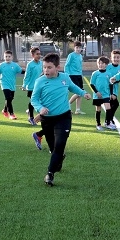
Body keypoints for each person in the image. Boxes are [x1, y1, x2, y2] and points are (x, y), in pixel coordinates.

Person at [29, 53, 90, 185]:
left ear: (58, 67)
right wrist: (40, 108)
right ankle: (59, 158)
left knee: (60, 144)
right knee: (53, 148)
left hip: (64, 117)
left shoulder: (65, 78)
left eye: (49, 67)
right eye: (44, 67)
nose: (46, 70)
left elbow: (73, 87)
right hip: (47, 120)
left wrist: (83, 93)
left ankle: (50, 174)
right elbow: (34, 99)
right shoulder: (40, 81)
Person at [0, 49, 23, 119]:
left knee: (10, 99)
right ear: (4, 57)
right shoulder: (2, 65)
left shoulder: (15, 65)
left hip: (12, 85)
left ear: (12, 57)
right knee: (8, 98)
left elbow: (21, 71)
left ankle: (5, 110)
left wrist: (28, 72)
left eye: (9, 56)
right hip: (4, 84)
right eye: (6, 56)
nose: (7, 58)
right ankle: (11, 114)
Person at [89, 56, 114, 131]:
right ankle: (98, 124)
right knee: (98, 109)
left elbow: (111, 84)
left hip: (106, 94)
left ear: (106, 64)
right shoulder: (95, 73)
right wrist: (96, 92)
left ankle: (108, 123)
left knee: (108, 108)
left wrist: (111, 94)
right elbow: (92, 84)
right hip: (97, 95)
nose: (100, 65)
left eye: (102, 63)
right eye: (99, 63)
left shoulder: (109, 74)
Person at [23, 46, 43, 127]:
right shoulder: (30, 65)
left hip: (40, 86)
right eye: (37, 54)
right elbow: (27, 76)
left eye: (39, 54)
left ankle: (33, 113)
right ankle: (31, 117)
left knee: (40, 101)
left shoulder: (41, 63)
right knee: (33, 102)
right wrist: (24, 85)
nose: (39, 55)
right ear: (33, 55)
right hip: (32, 87)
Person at [104, 49, 120, 129]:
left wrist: (115, 81)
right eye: (114, 57)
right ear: (111, 58)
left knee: (113, 105)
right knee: (114, 104)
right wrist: (111, 93)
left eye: (117, 57)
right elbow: (106, 78)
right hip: (107, 89)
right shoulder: (108, 67)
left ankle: (109, 120)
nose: (116, 59)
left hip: (115, 89)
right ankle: (108, 121)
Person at [65, 41, 85, 114]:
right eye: (77, 47)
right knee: (79, 92)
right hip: (72, 75)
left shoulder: (80, 56)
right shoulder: (71, 55)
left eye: (80, 48)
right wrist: (67, 74)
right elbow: (67, 65)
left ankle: (78, 109)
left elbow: (80, 66)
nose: (78, 49)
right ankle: (67, 104)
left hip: (79, 75)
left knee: (81, 92)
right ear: (74, 48)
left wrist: (81, 75)